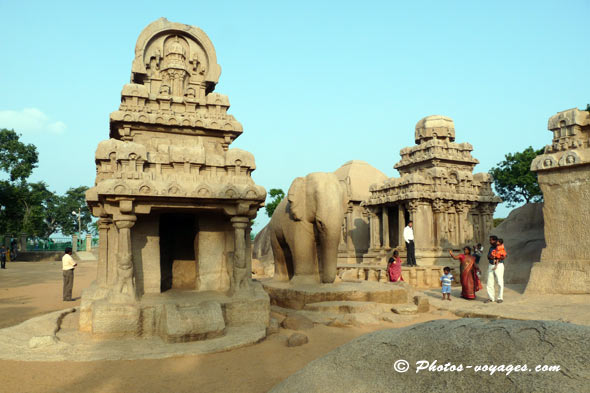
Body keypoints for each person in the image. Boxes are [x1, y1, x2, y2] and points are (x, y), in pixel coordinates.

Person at [485, 235, 504, 304]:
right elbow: (488, 256)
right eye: (490, 240)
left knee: (499, 282)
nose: (490, 241)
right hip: (491, 265)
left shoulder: (500, 247)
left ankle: (500, 298)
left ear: (495, 241)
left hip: (499, 265)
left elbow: (504, 256)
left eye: (491, 240)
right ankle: (491, 298)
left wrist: (497, 257)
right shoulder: (491, 248)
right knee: (489, 282)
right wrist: (491, 257)